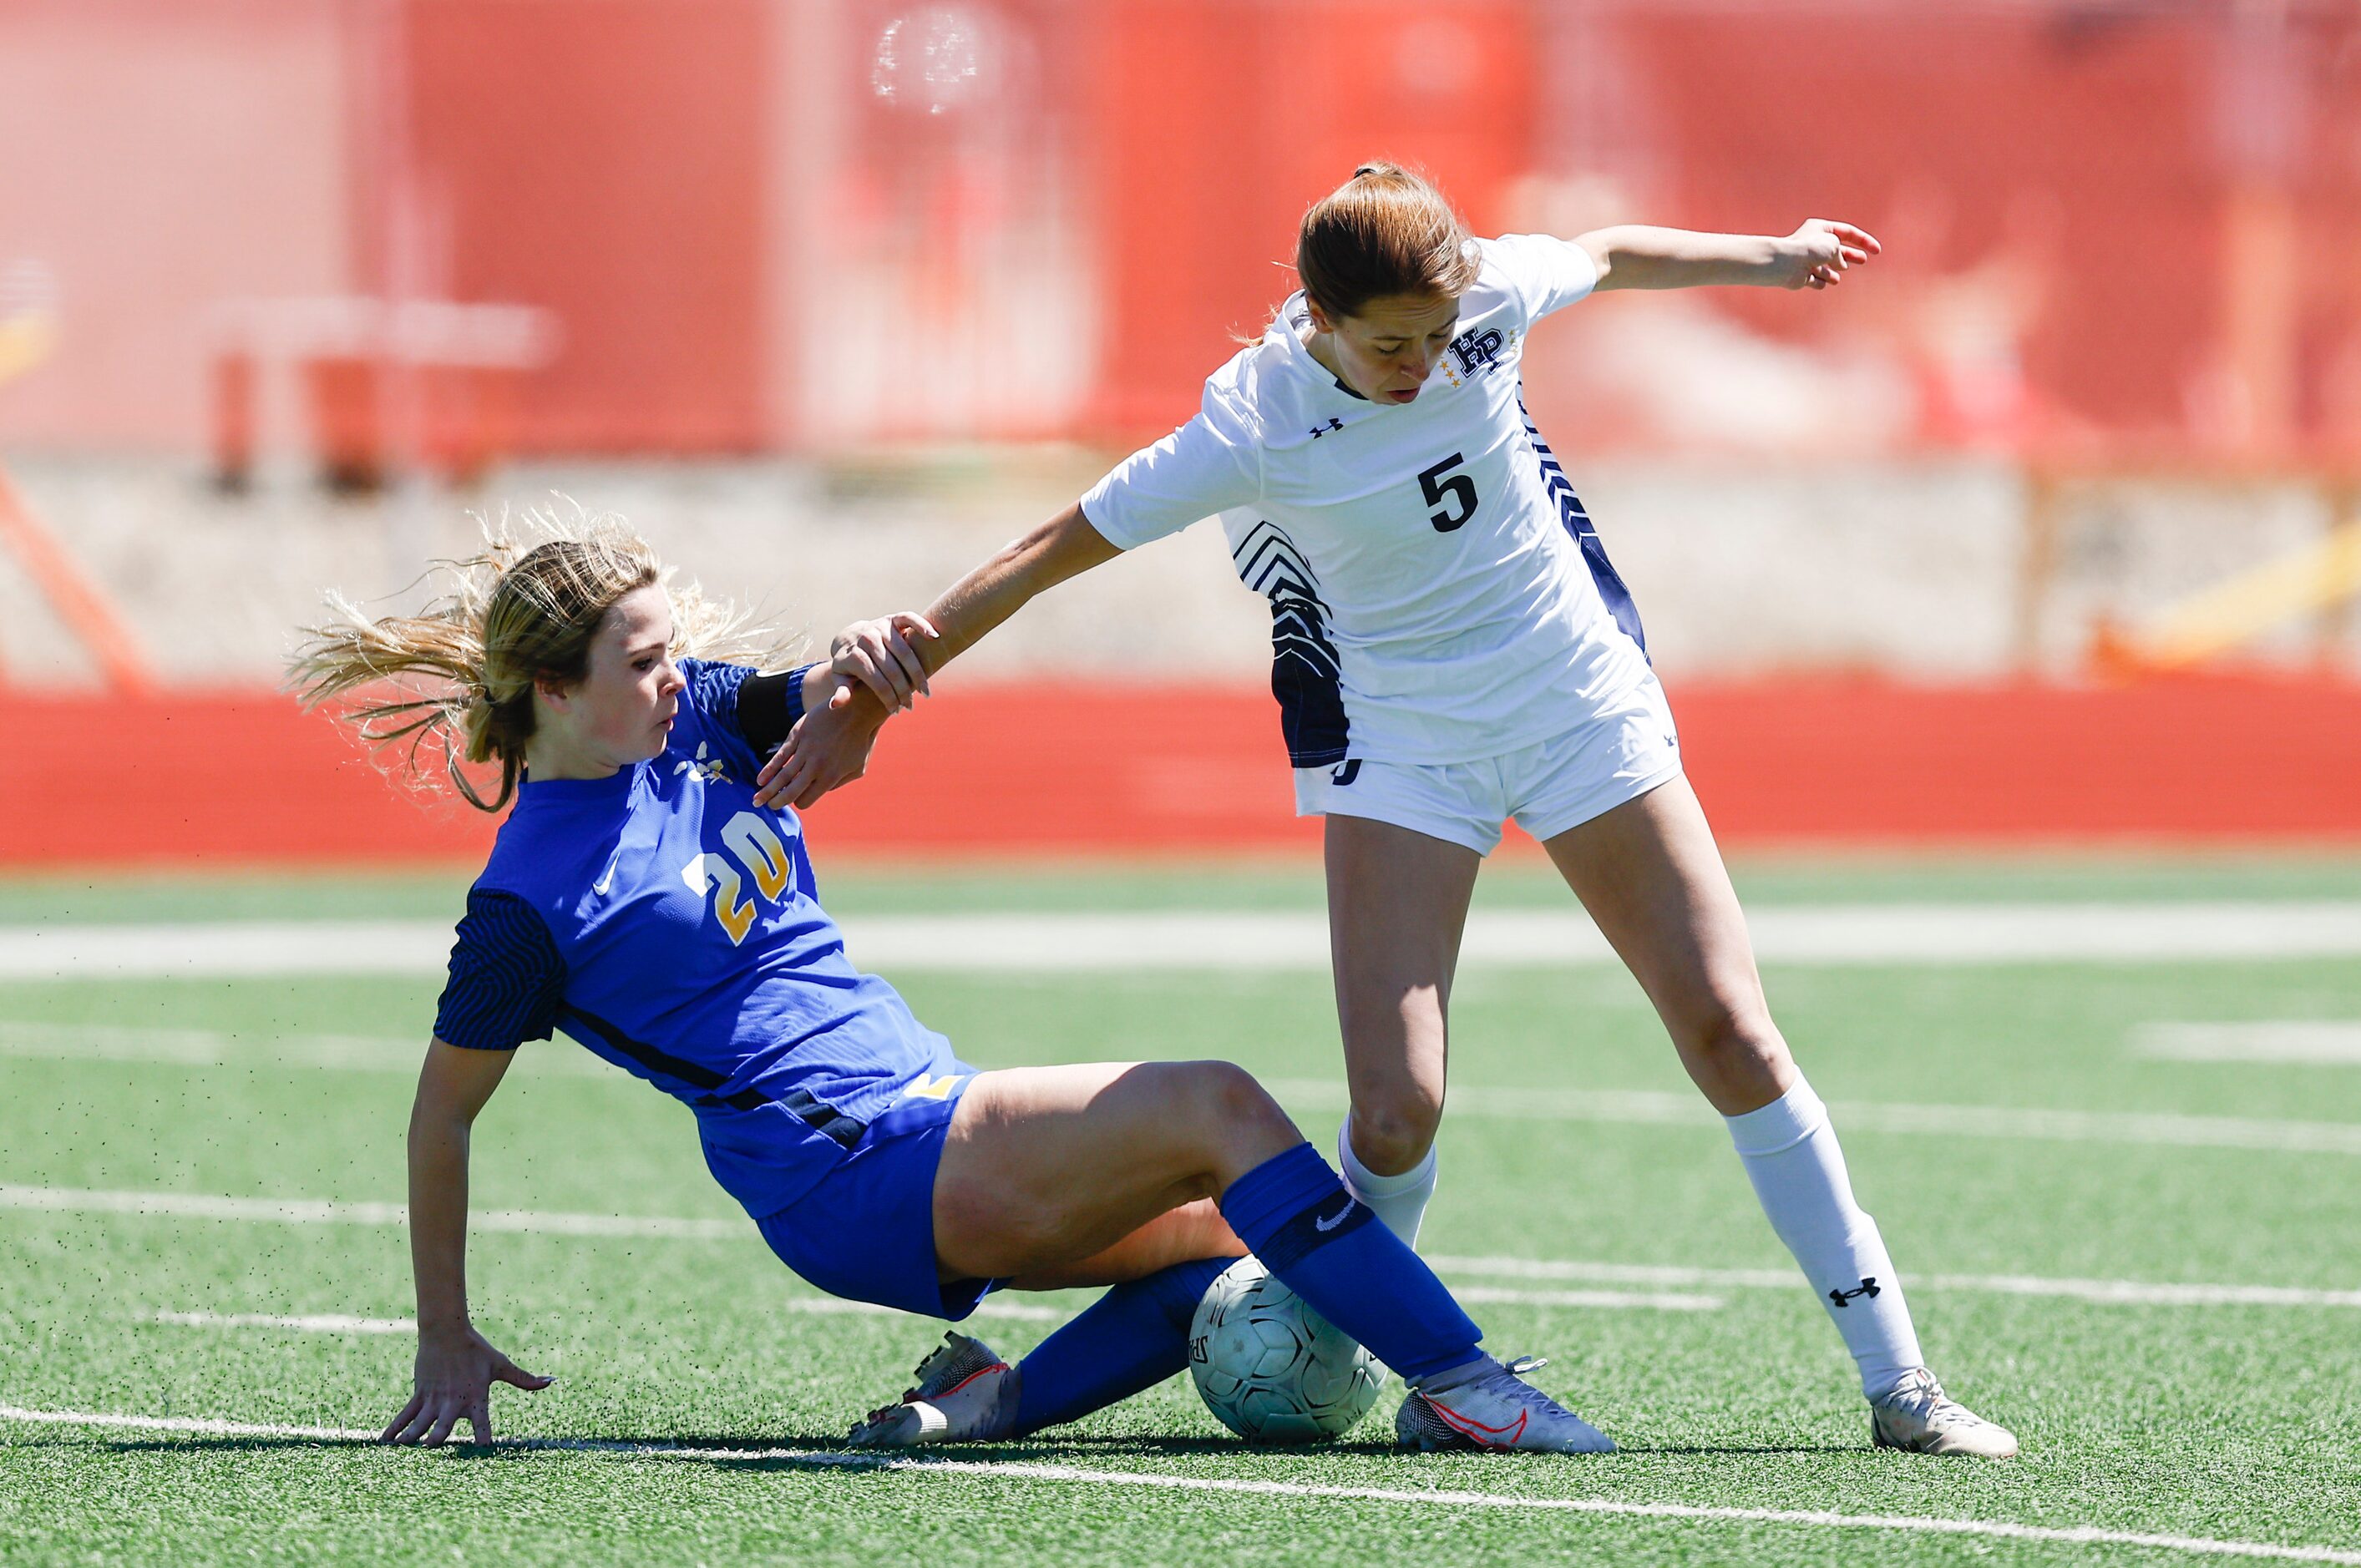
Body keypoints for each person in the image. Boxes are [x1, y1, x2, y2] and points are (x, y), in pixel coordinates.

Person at [759, 164, 2016, 1458]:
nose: (1425, 362)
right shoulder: (1251, 424)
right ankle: (1377, 1355)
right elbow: (1053, 546)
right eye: (1391, 344)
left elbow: (1610, 251)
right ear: (1318, 319)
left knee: (1732, 1034)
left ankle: (1900, 1384)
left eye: (1437, 335)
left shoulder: (1488, 300)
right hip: (1405, 745)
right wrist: (886, 684)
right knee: (1396, 1108)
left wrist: (1776, 250)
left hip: (1577, 702)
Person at [288, 516, 1614, 1454]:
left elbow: (824, 696)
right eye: (640, 660)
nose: (674, 674)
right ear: (547, 692)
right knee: (1220, 1104)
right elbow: (441, 1118)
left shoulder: (689, 720)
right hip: (855, 1170)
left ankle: (992, 1404)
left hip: (924, 1105)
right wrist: (445, 1332)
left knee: (1230, 1227)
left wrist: (867, 662)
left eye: (671, 649)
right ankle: (1464, 1384)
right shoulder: (527, 906)